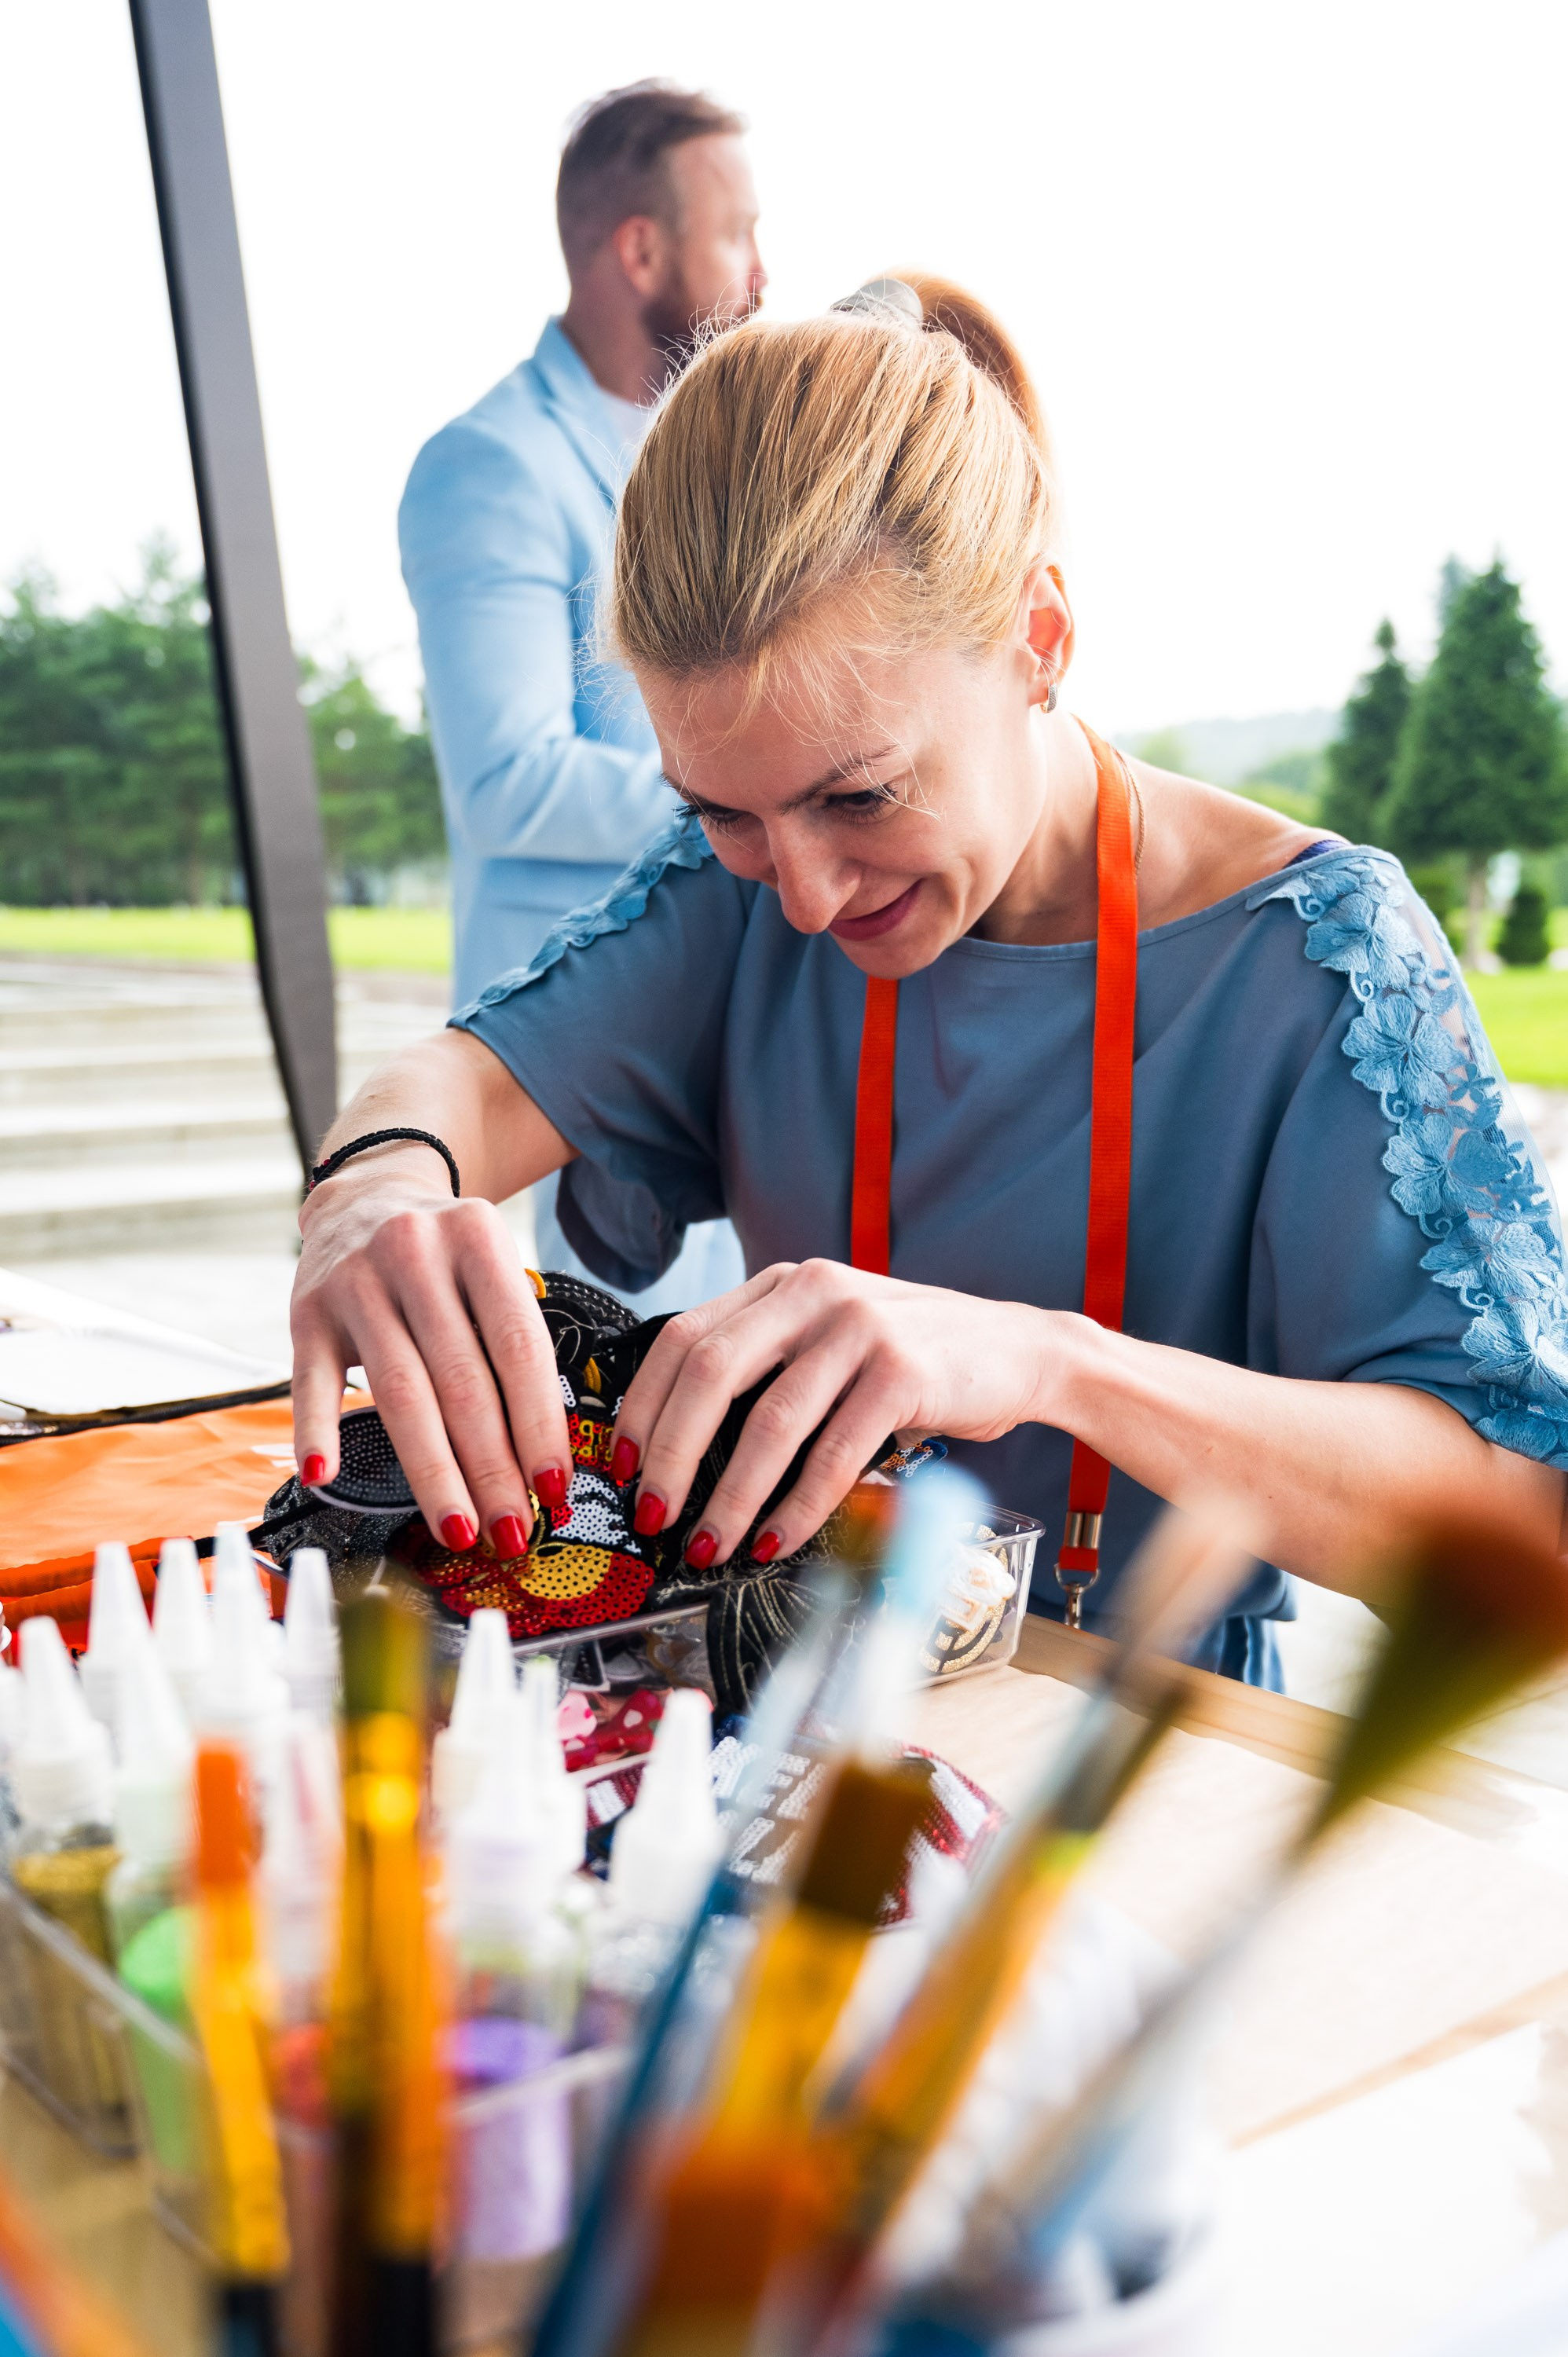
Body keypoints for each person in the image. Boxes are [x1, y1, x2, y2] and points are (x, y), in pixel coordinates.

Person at [299, 275, 1568, 1682]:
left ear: (1039, 642)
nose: (805, 890)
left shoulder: (1316, 956)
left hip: (1137, 1742)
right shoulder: (743, 894)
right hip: (783, 1705)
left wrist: (1050, 1363)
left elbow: (1520, 1527)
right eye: (721, 809)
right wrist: (376, 1189)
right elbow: (458, 1084)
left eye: (863, 797)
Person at [398, 81, 764, 1305]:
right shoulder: (493, 467)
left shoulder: (719, 461)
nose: (763, 273)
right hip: (583, 1060)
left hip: (733, 1035)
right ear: (641, 248)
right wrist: (756, 801)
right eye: (738, 233)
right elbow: (509, 784)